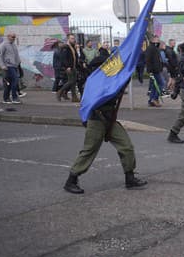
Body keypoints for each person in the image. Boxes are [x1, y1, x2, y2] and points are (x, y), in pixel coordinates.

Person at [63, 47, 147, 194]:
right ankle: (71, 179)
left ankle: (130, 177)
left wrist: (123, 80)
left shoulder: (110, 82)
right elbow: (93, 101)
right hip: (96, 119)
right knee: (89, 150)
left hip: (110, 119)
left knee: (126, 146)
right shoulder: (91, 83)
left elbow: (114, 93)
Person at [55, 33, 82, 102]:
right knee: (71, 81)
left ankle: (74, 97)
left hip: (73, 67)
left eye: (74, 38)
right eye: (72, 38)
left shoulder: (73, 47)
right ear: (68, 39)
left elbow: (75, 57)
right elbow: (63, 58)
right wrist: (67, 66)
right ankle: (60, 92)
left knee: (73, 82)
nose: (73, 40)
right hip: (69, 67)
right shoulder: (65, 47)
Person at [0, 32, 22, 104]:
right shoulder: (3, 45)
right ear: (8, 37)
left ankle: (6, 98)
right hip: (7, 66)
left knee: (9, 83)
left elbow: (16, 55)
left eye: (14, 37)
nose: (14, 38)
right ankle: (14, 97)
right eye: (12, 37)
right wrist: (2, 66)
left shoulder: (13, 45)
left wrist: (18, 63)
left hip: (14, 66)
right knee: (15, 80)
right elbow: (0, 56)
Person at [144, 37, 164, 107]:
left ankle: (151, 100)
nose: (158, 40)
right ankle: (155, 99)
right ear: (152, 40)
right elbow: (148, 60)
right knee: (161, 84)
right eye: (157, 39)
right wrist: (150, 71)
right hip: (154, 70)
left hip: (156, 69)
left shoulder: (155, 48)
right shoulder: (150, 48)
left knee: (153, 86)